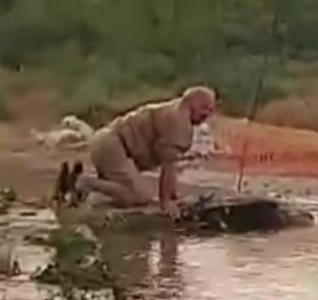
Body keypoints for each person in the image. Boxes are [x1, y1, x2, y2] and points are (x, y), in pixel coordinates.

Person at [79, 86, 217, 219]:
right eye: (205, 108)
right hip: (113, 146)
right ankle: (84, 182)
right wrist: (166, 202)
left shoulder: (173, 111)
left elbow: (171, 164)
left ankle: (88, 190)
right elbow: (168, 166)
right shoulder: (178, 122)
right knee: (138, 196)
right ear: (194, 103)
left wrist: (172, 195)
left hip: (108, 142)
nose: (208, 115)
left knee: (129, 187)